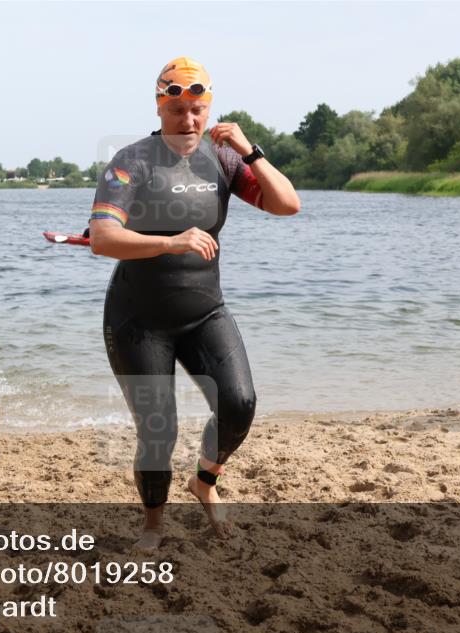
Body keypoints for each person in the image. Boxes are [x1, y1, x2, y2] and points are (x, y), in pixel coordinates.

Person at [89, 57, 301, 549]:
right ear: (161, 104)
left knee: (240, 403)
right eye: (179, 108)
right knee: (159, 430)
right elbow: (102, 238)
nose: (189, 119)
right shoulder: (132, 160)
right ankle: (153, 524)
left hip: (205, 311)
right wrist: (170, 241)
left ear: (209, 109)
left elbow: (288, 204)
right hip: (139, 319)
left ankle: (204, 480)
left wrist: (251, 153)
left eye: (199, 109)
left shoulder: (224, 160)